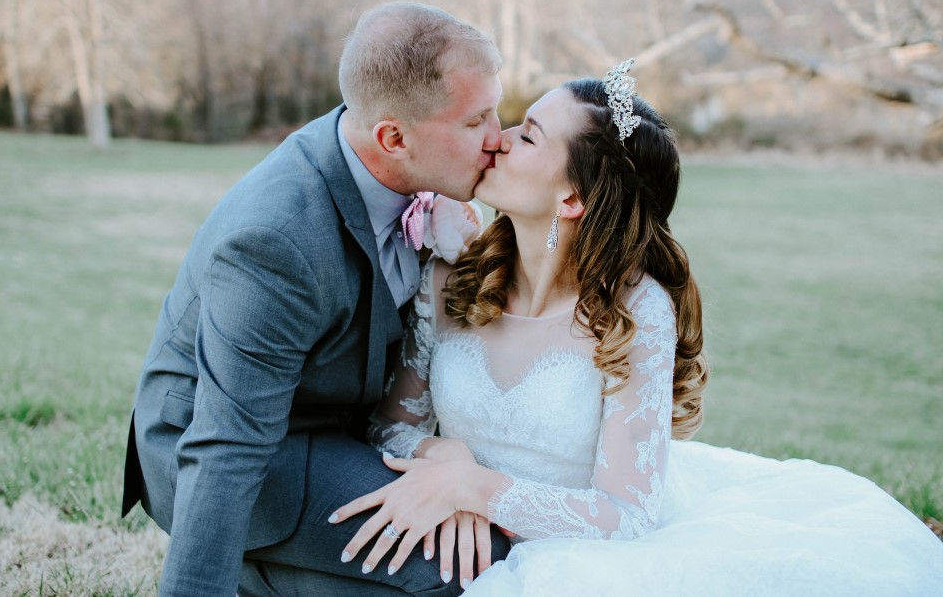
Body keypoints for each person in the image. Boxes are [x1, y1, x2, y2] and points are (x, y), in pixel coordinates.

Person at [329, 61, 943, 595]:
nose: (499, 138)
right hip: (470, 529)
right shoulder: (451, 274)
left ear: (571, 198)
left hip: (590, 556)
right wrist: (446, 458)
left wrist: (479, 491)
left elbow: (625, 514)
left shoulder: (633, 312)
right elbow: (390, 425)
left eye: (529, 135)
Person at [121, 1, 512, 596]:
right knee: (465, 569)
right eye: (475, 122)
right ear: (394, 137)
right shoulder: (275, 242)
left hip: (333, 428)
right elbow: (227, 444)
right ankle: (260, 571)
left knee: (494, 535)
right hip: (241, 449)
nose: (498, 139)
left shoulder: (400, 167)